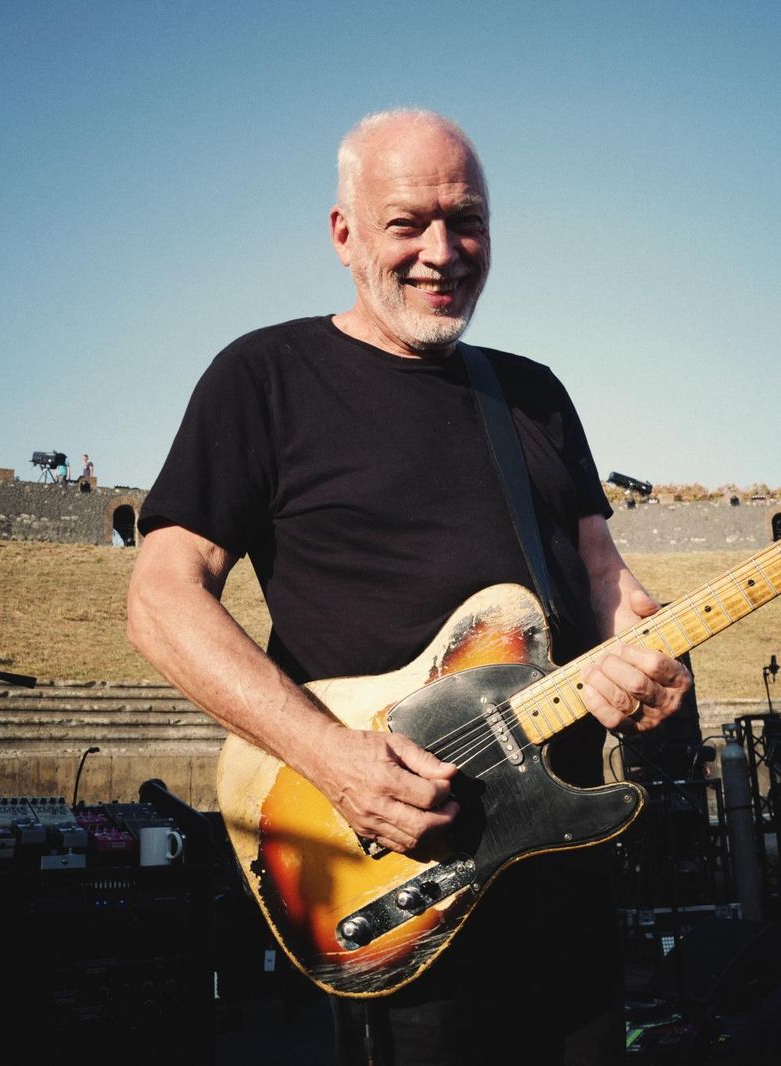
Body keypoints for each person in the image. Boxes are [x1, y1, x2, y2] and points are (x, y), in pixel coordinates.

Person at [126, 109, 690, 1065]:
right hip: (396, 871)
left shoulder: (534, 394)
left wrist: (653, 668)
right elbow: (160, 600)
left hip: (561, 868)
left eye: (467, 221)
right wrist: (334, 760)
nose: (442, 251)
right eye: (407, 223)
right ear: (344, 233)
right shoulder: (266, 376)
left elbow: (611, 592)